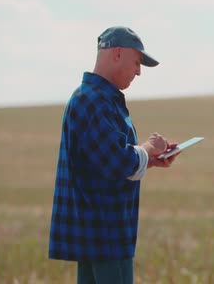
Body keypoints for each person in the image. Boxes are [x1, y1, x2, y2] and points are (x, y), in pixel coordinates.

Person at [48, 26, 179, 284]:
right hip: (107, 233)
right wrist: (149, 148)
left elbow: (106, 161)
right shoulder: (93, 100)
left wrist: (148, 160)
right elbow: (119, 162)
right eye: (137, 62)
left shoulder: (92, 98)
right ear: (117, 53)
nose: (139, 72)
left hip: (96, 233)